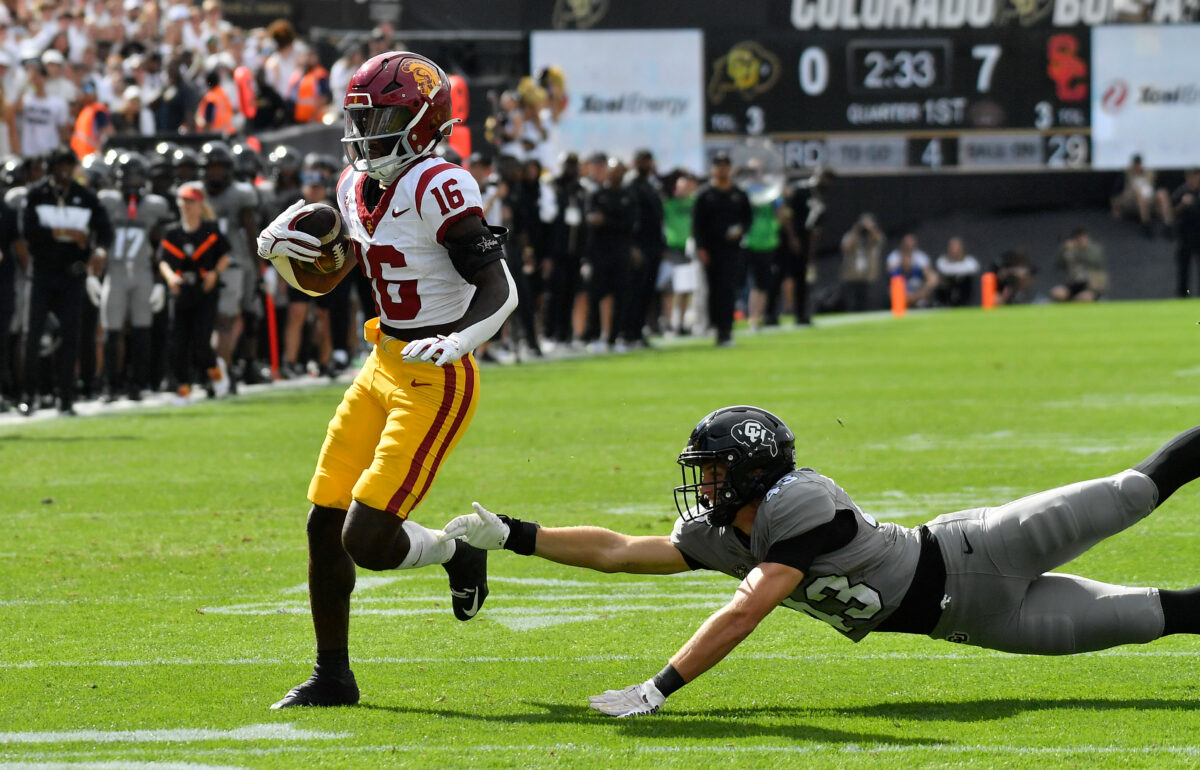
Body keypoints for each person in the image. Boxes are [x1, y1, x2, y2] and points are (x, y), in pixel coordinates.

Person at [440, 405, 1200, 717]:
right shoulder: (725, 531)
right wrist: (514, 533)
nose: (700, 481)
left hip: (981, 547)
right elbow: (619, 551)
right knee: (1156, 616)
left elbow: (748, 606)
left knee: (1135, 490)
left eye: (710, 467)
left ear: (747, 468)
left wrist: (657, 688)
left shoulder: (798, 502)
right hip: (981, 622)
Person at [255, 51, 518, 709]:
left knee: (366, 540)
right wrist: (298, 254)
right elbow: (356, 264)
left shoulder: (441, 184)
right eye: (363, 119)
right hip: (381, 365)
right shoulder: (353, 184)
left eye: (386, 117)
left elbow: (500, 287)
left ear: (426, 121)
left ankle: (455, 551)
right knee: (324, 521)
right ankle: (333, 676)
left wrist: (458, 340)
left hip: (437, 375)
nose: (368, 133)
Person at [19, 146, 113, 416]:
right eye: (59, 167)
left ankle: (66, 396)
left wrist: (99, 250)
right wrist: (66, 232)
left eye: (68, 167)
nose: (64, 173)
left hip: (72, 273)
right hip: (43, 273)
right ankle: (30, 394)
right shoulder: (37, 195)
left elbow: (105, 229)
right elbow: (30, 232)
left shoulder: (85, 196)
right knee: (33, 334)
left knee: (71, 335)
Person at [96, 152, 172, 401]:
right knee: (111, 330)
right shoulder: (106, 201)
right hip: (115, 270)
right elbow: (96, 236)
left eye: (136, 178)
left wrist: (160, 281)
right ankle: (110, 384)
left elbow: (161, 246)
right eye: (127, 177)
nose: (131, 183)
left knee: (142, 330)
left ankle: (139, 382)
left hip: (142, 272)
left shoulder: (155, 205)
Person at [157, 181, 229, 404]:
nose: (186, 206)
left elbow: (224, 256)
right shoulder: (171, 232)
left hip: (204, 292)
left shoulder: (211, 229)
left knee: (201, 341)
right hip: (180, 292)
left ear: (200, 204)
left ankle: (216, 372)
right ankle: (183, 389)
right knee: (177, 342)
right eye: (183, 201)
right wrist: (170, 278)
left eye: (191, 201)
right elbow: (162, 261)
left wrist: (214, 274)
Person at [693, 152, 751, 347]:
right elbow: (697, 224)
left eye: (725, 165)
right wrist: (701, 248)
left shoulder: (738, 193)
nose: (722, 169)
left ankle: (726, 329)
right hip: (711, 249)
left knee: (728, 288)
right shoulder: (705, 194)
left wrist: (740, 231)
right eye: (718, 165)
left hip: (732, 249)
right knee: (712, 289)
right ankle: (714, 325)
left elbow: (747, 219)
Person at [837, 213, 883, 312]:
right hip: (852, 276)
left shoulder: (873, 236)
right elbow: (846, 248)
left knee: (867, 304)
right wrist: (855, 231)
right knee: (851, 305)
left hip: (868, 276)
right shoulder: (850, 235)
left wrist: (871, 229)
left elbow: (880, 240)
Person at [1050, 228, 1107, 303]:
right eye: (1079, 239)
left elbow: (1094, 262)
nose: (1082, 241)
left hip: (1091, 285)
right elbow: (1057, 264)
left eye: (1084, 238)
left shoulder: (1095, 249)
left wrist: (1076, 251)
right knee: (1057, 293)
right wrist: (1063, 249)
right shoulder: (1070, 251)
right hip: (1074, 283)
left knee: (1084, 298)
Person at [886, 233, 937, 309]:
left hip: (918, 289)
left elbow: (930, 276)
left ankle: (921, 302)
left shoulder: (921, 257)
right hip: (901, 289)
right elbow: (890, 275)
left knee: (933, 278)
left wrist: (922, 292)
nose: (908, 247)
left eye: (910, 245)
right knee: (893, 286)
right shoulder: (894, 257)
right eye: (906, 245)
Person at [1170, 168, 1200, 298]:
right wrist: (1182, 204)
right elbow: (1171, 212)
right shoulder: (1182, 192)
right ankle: (1183, 294)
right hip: (1186, 234)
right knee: (1184, 266)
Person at [933, 237, 980, 307]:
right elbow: (943, 269)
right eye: (952, 247)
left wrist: (958, 274)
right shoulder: (942, 261)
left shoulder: (969, 261)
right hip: (946, 290)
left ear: (962, 248)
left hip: (964, 291)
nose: (954, 250)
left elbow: (974, 267)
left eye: (957, 247)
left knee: (964, 279)